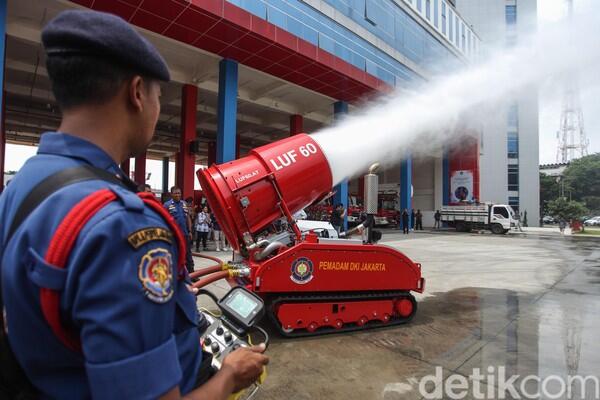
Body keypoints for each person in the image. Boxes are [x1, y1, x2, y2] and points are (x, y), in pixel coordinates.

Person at [0, 10, 267, 399]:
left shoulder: (25, 184)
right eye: (160, 96)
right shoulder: (126, 227)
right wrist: (229, 376)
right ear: (137, 92)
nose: (158, 110)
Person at [164, 186, 194, 273]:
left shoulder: (184, 203)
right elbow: (163, 219)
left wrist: (190, 231)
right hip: (174, 235)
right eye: (176, 193)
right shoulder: (167, 205)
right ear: (171, 194)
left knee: (188, 254)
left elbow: (188, 217)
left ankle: (192, 273)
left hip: (185, 234)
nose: (178, 195)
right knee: (175, 254)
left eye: (179, 193)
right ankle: (176, 273)